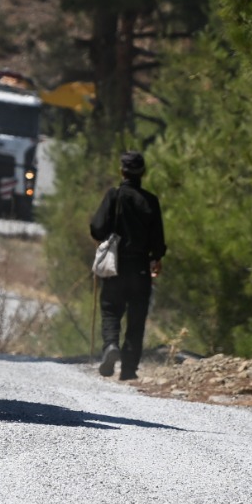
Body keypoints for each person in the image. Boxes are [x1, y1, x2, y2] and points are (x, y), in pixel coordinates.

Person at [88, 150, 165, 380]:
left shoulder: (114, 196)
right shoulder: (150, 201)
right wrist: (156, 258)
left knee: (111, 310)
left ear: (121, 171)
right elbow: (158, 242)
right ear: (143, 172)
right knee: (137, 317)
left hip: (115, 266)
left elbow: (97, 228)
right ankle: (129, 369)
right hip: (141, 268)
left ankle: (111, 346)